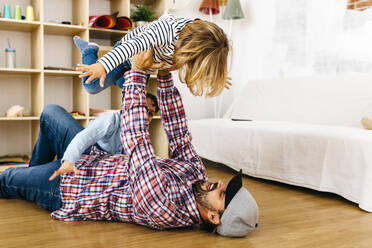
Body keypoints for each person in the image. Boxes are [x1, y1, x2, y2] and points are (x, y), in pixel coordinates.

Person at [0, 50, 257, 237]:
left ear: (213, 217)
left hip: (68, 186)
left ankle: (33, 178)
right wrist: (165, 75)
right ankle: (36, 172)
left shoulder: (163, 208)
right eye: (227, 185)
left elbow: (137, 140)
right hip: (93, 156)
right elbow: (178, 131)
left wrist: (137, 72)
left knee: (7, 178)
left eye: (223, 193)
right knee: (50, 113)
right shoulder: (196, 175)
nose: (221, 183)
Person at [74, 13, 231, 96]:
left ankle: (114, 76)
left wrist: (214, 76)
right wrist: (102, 65)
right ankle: (90, 49)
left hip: (146, 67)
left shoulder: (197, 43)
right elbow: (131, 46)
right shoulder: (165, 31)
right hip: (127, 56)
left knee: (125, 86)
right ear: (192, 49)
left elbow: (201, 62)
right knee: (92, 87)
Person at [29, 93, 158, 168]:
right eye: (143, 109)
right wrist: (69, 161)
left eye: (151, 113)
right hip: (88, 149)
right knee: (51, 110)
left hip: (102, 162)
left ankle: (35, 170)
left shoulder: (140, 134)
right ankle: (35, 169)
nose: (146, 116)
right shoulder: (112, 119)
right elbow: (84, 137)